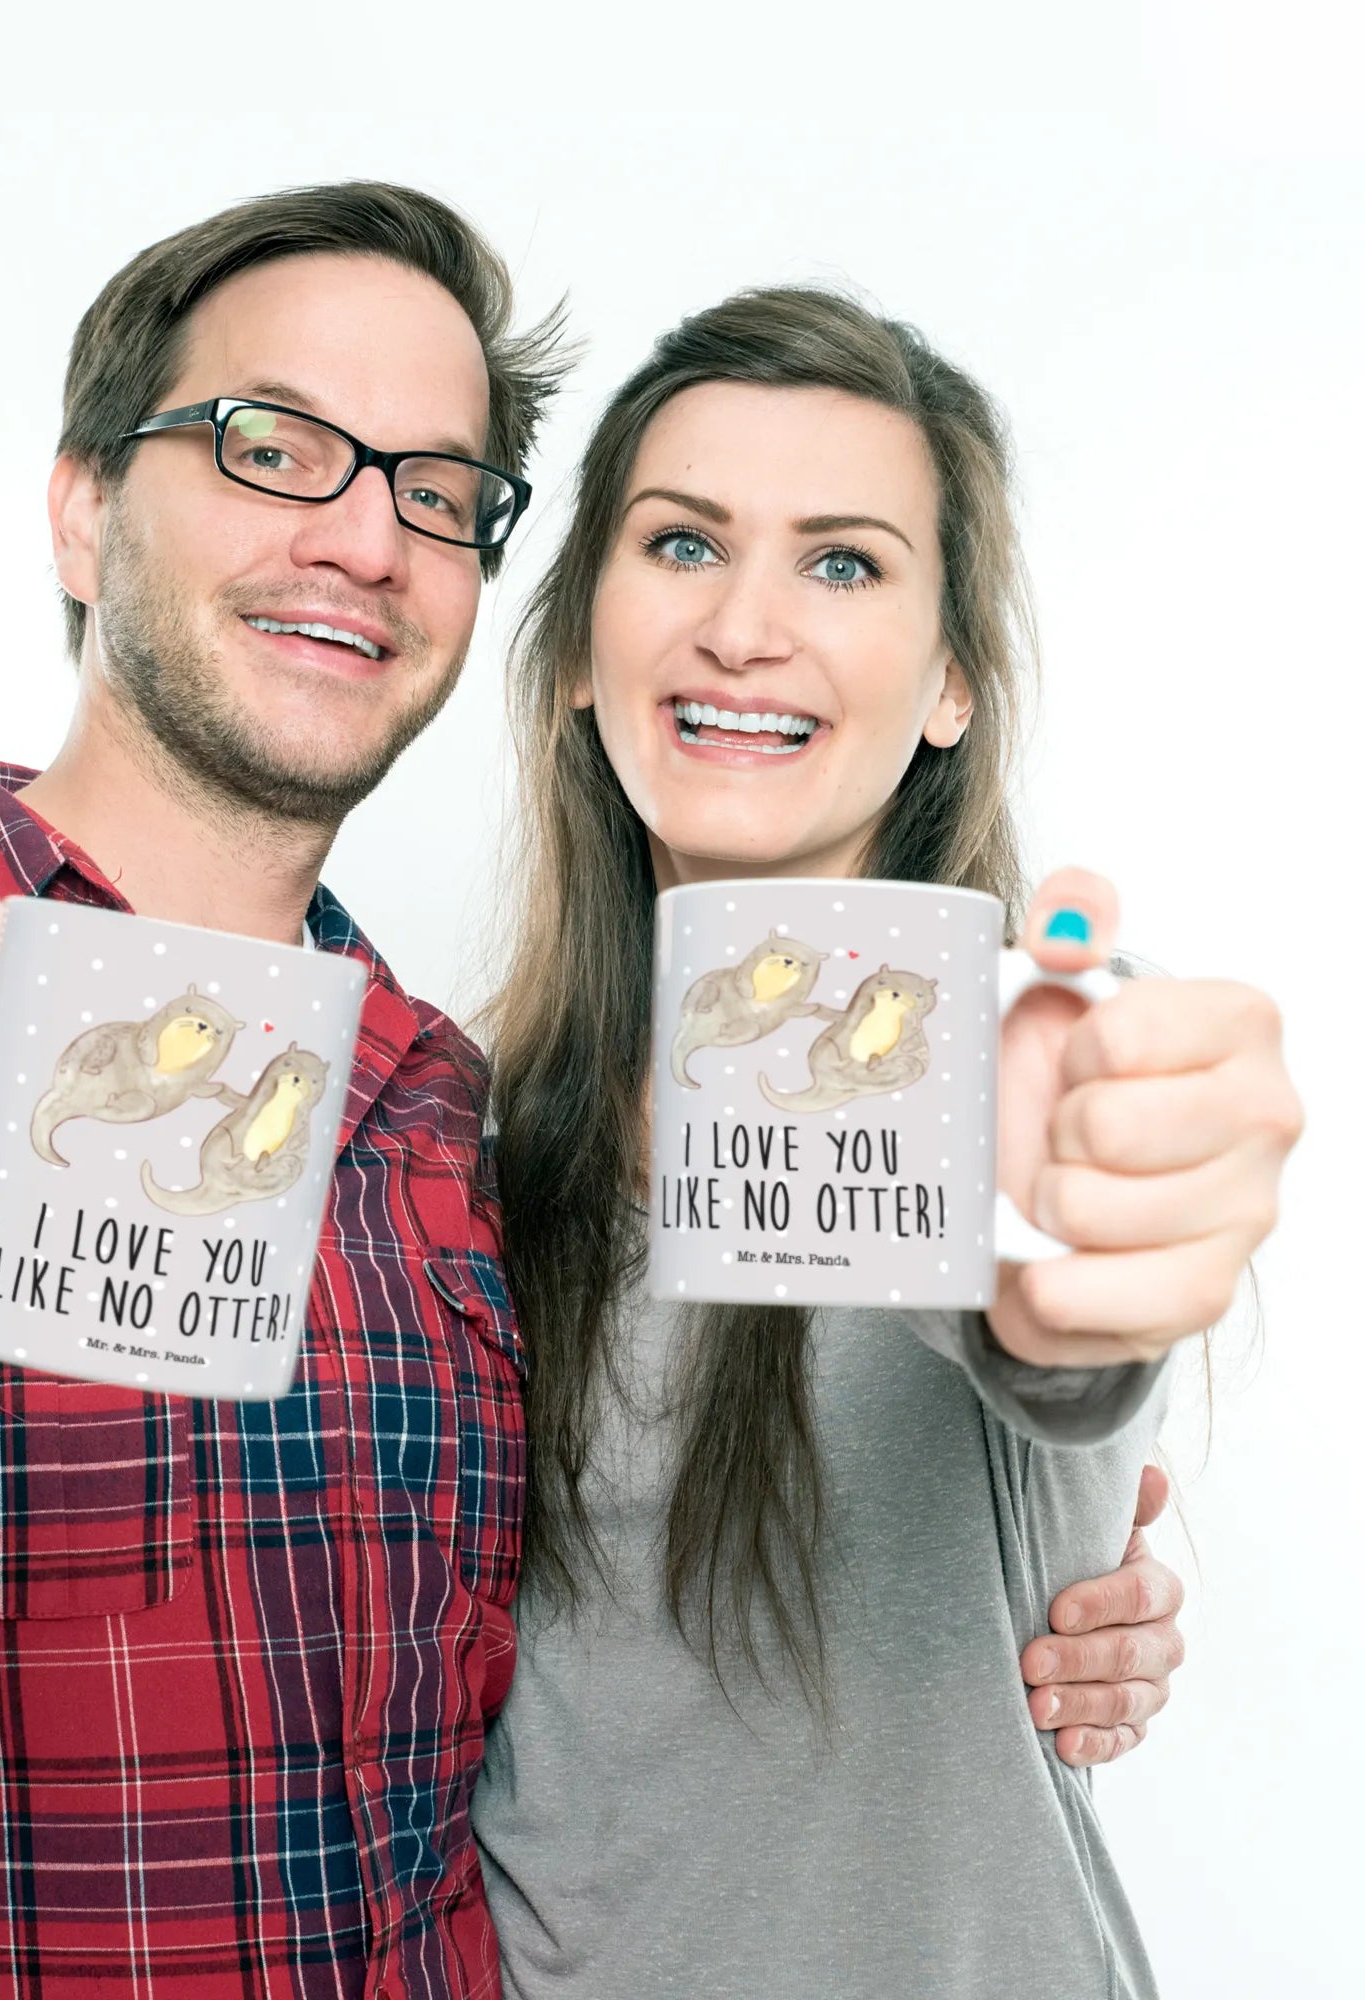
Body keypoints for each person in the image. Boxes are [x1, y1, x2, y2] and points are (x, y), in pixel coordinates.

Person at [0, 184, 1191, 1999]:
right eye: (274, 447)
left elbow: (670, 1633)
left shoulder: (445, 1124)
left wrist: (1056, 1544)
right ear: (83, 508)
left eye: (434, 490)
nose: (363, 537)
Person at [470, 288, 1303, 1998]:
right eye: (683, 544)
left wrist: (1096, 1247)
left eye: (842, 564)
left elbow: (1058, 1330)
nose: (745, 628)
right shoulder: (463, 1140)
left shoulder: (1019, 1064)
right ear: (573, 652)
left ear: (949, 686)